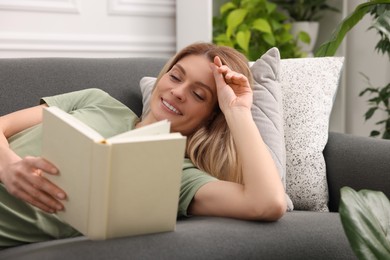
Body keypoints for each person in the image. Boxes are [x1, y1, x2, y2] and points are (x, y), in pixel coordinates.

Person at [0, 42, 287, 246]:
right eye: (175, 77)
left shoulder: (176, 173)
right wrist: (9, 167)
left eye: (198, 95)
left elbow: (267, 203)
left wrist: (237, 111)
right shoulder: (97, 101)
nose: (177, 92)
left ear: (212, 118)